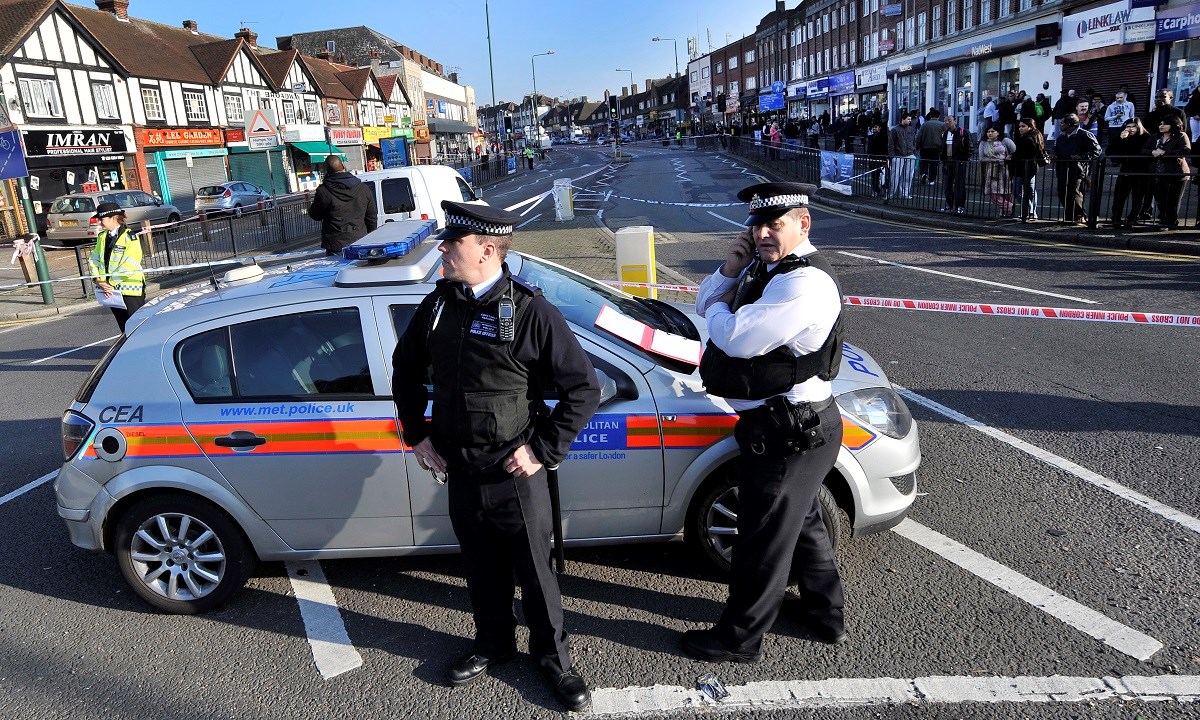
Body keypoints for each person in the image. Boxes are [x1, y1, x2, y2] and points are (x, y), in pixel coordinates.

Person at [391, 201, 601, 712]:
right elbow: (404, 368)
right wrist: (417, 434)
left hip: (514, 474)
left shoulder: (530, 312)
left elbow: (583, 389)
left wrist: (543, 450)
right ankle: (494, 644)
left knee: (535, 573)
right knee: (481, 569)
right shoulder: (440, 305)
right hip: (461, 471)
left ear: (487, 250)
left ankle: (554, 661)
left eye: (452, 243)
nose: (442, 249)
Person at [685, 181, 847, 663]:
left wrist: (718, 306)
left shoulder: (804, 282)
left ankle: (740, 638)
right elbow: (703, 301)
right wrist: (727, 271)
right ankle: (825, 614)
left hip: (790, 431)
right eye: (756, 225)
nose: (761, 234)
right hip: (785, 426)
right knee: (803, 524)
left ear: (803, 224)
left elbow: (737, 338)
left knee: (761, 538)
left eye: (774, 225)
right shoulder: (768, 268)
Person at [87, 202, 145, 332]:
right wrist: (99, 280)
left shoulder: (130, 237)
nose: (100, 223)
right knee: (123, 327)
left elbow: (130, 264)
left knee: (137, 327)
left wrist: (110, 283)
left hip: (130, 291)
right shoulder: (102, 237)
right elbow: (94, 259)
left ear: (113, 218)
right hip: (111, 291)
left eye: (102, 219)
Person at [307, 156, 378, 256]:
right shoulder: (363, 188)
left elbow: (315, 215)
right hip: (360, 240)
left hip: (336, 244)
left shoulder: (324, 192)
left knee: (339, 271)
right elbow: (372, 217)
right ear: (343, 166)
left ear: (327, 170)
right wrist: (370, 237)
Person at [1144, 114, 1192, 228]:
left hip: (1176, 173)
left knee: (1173, 200)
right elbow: (1143, 149)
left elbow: (1185, 150)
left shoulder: (1180, 135)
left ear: (1173, 125)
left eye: (1165, 124)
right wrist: (1152, 152)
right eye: (1160, 123)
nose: (1161, 126)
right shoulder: (1156, 137)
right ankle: (1163, 220)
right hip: (1158, 172)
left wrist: (1165, 152)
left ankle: (1171, 223)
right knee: (1160, 199)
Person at [1052, 114, 1102, 223]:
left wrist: (1082, 157)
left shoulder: (1084, 135)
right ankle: (1070, 216)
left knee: (1075, 193)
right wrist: (1054, 156)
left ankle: (1079, 216)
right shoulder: (1061, 137)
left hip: (1078, 170)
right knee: (1062, 193)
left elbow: (1096, 151)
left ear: (1070, 124)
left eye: (1062, 123)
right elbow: (1056, 150)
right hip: (1062, 169)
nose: (1060, 125)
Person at [1108, 118, 1151, 229]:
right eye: (1128, 126)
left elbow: (1140, 152)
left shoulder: (1146, 137)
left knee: (1137, 197)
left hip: (1140, 170)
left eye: (1134, 126)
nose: (1131, 129)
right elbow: (1110, 151)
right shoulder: (1120, 137)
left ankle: (1132, 219)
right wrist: (1120, 139)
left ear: (1139, 127)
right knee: (1119, 196)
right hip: (1125, 170)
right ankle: (1116, 219)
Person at [1011, 118, 1045, 220]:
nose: (1020, 128)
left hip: (1025, 167)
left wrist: (1012, 157)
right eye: (1019, 126)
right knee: (1030, 191)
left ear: (1030, 127)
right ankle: (1030, 212)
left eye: (1023, 126)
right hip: (1029, 167)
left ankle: (1028, 212)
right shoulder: (1031, 137)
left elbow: (1023, 153)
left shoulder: (1029, 138)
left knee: (1020, 191)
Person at [979, 127, 1016, 215]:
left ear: (998, 132)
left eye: (992, 131)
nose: (990, 133)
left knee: (1006, 190)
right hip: (991, 170)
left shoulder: (1005, 141)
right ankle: (1009, 206)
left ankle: (1005, 211)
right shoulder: (983, 143)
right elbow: (982, 158)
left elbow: (1014, 151)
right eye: (988, 131)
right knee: (994, 193)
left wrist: (1007, 158)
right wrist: (997, 160)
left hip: (1005, 170)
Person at [940, 115, 972, 214]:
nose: (947, 123)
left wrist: (963, 158)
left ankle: (960, 206)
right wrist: (943, 159)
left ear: (955, 121)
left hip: (959, 162)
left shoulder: (963, 132)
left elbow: (969, 147)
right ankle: (949, 205)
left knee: (959, 185)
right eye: (945, 121)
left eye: (949, 120)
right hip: (947, 163)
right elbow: (943, 148)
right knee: (947, 185)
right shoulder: (945, 133)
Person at [887, 114, 918, 200]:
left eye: (910, 119)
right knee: (895, 176)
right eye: (908, 119)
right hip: (898, 155)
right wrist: (892, 156)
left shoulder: (911, 130)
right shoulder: (894, 130)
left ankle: (905, 193)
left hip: (910, 154)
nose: (910, 121)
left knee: (908, 176)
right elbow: (891, 144)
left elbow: (914, 141)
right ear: (902, 119)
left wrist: (914, 151)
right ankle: (891, 193)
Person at [916, 109, 946, 185]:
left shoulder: (924, 125)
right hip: (936, 147)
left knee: (924, 162)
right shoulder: (942, 125)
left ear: (930, 116)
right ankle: (931, 179)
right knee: (934, 164)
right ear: (939, 116)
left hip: (924, 147)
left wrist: (917, 146)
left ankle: (924, 173)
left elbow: (919, 136)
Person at [866, 119, 889, 197]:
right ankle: (875, 190)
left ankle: (884, 191)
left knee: (882, 176)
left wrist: (885, 159)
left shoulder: (883, 137)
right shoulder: (871, 137)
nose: (874, 129)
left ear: (880, 128)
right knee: (874, 176)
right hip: (872, 159)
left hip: (880, 158)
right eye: (873, 127)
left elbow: (885, 148)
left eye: (876, 127)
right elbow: (869, 148)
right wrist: (868, 156)